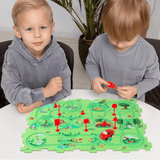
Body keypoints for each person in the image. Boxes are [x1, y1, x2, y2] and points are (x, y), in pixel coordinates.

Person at [1, 0, 71, 113]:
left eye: (42, 27)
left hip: (52, 111)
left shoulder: (59, 54)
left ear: (51, 28)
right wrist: (44, 92)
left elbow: (65, 90)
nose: (37, 35)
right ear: (17, 31)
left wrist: (37, 104)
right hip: (19, 113)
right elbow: (11, 93)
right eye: (29, 29)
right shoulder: (12, 56)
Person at [85, 0, 160, 102]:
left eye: (128, 40)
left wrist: (135, 89)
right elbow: (91, 63)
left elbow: (154, 79)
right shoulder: (99, 42)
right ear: (106, 28)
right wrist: (94, 78)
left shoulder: (147, 52)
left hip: (131, 105)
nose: (119, 45)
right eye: (113, 38)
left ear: (140, 30)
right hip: (102, 100)